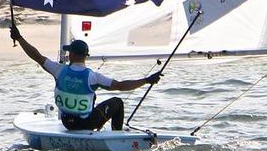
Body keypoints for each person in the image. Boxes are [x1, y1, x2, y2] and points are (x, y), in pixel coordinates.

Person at [10, 28, 161, 131]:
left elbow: (37, 56)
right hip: (86, 124)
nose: (67, 55)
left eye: (69, 52)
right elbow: (120, 86)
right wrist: (146, 80)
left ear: (73, 55)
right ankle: (116, 135)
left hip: (67, 124)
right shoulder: (93, 77)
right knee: (117, 102)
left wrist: (19, 38)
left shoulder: (59, 70)